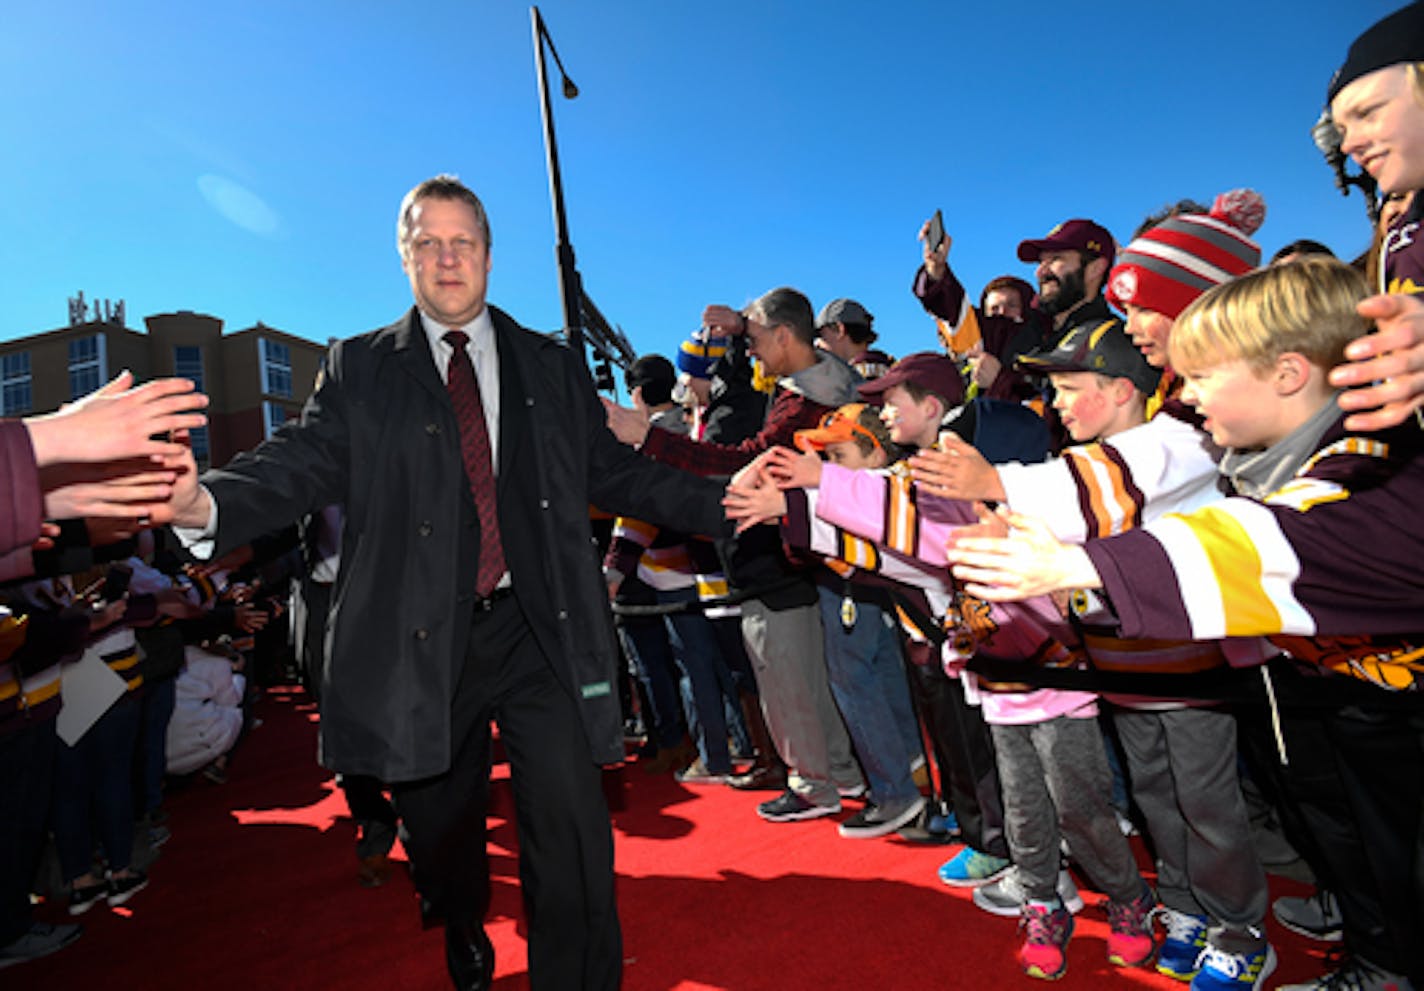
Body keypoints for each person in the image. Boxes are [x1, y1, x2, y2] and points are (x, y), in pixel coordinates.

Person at [164, 174, 728, 991]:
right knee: (441, 824)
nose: (446, 258)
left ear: (491, 257)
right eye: (427, 243)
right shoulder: (359, 367)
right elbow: (297, 461)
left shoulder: (549, 363)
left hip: (542, 626)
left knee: (572, 832)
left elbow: (616, 472)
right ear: (404, 259)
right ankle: (461, 911)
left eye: (462, 241)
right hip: (427, 635)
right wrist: (206, 502)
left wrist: (736, 502)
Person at [946, 258, 1423, 991]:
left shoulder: (1374, 464)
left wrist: (1083, 567)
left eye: (1202, 378)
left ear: (1289, 374)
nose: (1188, 398)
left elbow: (1282, 539)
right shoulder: (1290, 457)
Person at [605, 288, 868, 823]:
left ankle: (815, 782)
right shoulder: (809, 389)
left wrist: (645, 438)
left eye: (754, 340)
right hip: (790, 560)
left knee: (786, 679)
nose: (749, 353)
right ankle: (835, 775)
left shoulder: (798, 400)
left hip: (776, 563)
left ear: (782, 336)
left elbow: (735, 462)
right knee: (802, 681)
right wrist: (745, 324)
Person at [915, 215, 1117, 404]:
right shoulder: (1021, 329)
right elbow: (960, 317)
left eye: (1055, 259)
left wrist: (1001, 380)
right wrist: (936, 270)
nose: (1040, 271)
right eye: (1041, 262)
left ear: (1095, 268)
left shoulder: (1111, 341)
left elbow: (1070, 416)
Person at [814, 298, 894, 380]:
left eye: (821, 336)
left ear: (840, 330)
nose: (816, 344)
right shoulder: (892, 372)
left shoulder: (850, 382)